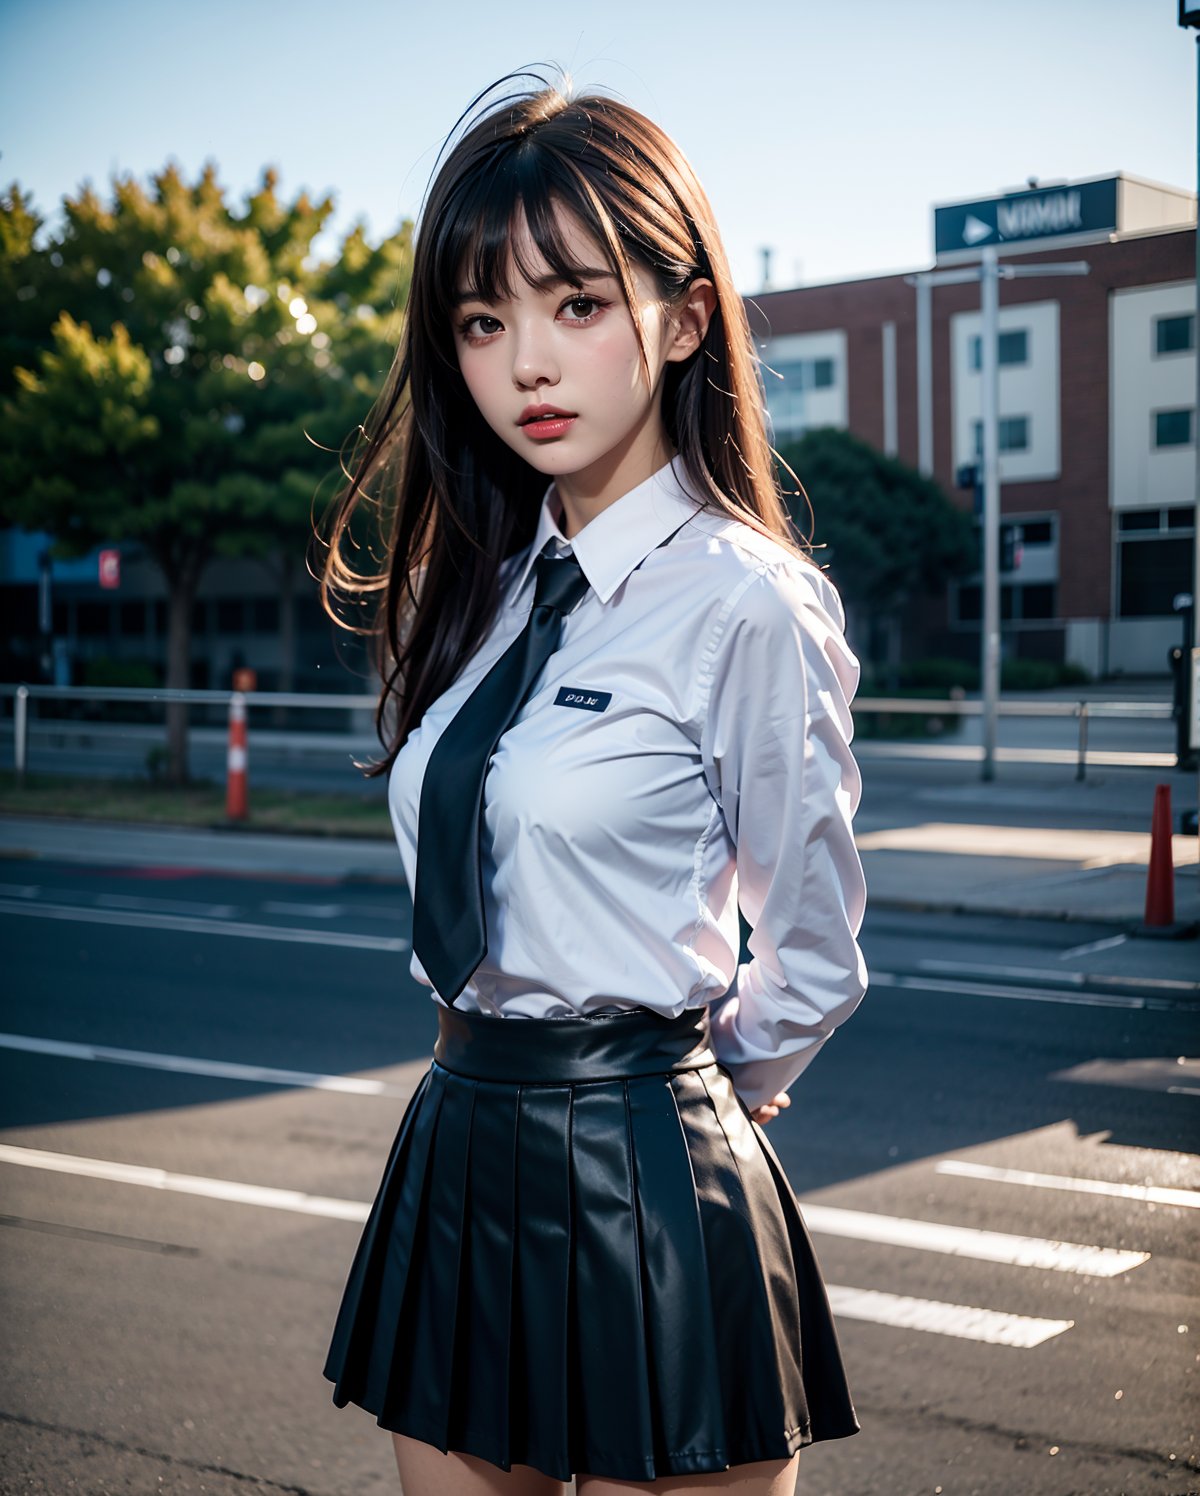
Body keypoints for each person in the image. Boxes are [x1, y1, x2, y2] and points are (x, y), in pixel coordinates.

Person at [316, 69, 869, 1496]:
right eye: (484, 321)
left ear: (685, 318)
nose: (526, 366)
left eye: (577, 304)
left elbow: (810, 947)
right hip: (456, 1136)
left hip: (643, 1174)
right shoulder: (476, 589)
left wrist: (682, 1092)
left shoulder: (747, 603)